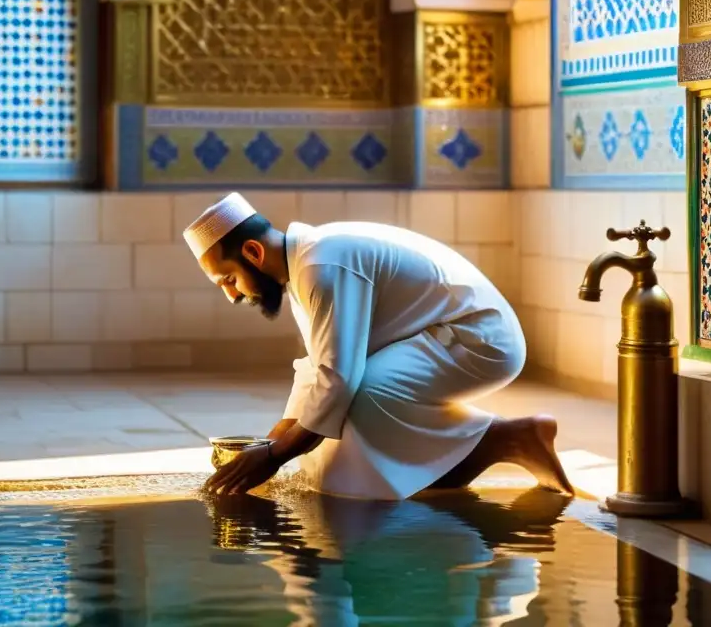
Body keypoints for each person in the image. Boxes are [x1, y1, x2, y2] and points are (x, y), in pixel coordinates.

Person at [183, 192, 573, 500]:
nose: (232, 296)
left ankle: (509, 439)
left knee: (359, 398)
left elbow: (337, 381)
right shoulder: (307, 265)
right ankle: (512, 441)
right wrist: (271, 443)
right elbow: (321, 367)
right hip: (443, 338)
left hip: (479, 341)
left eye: (228, 280)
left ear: (253, 252)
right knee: (328, 422)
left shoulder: (322, 266)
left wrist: (272, 457)